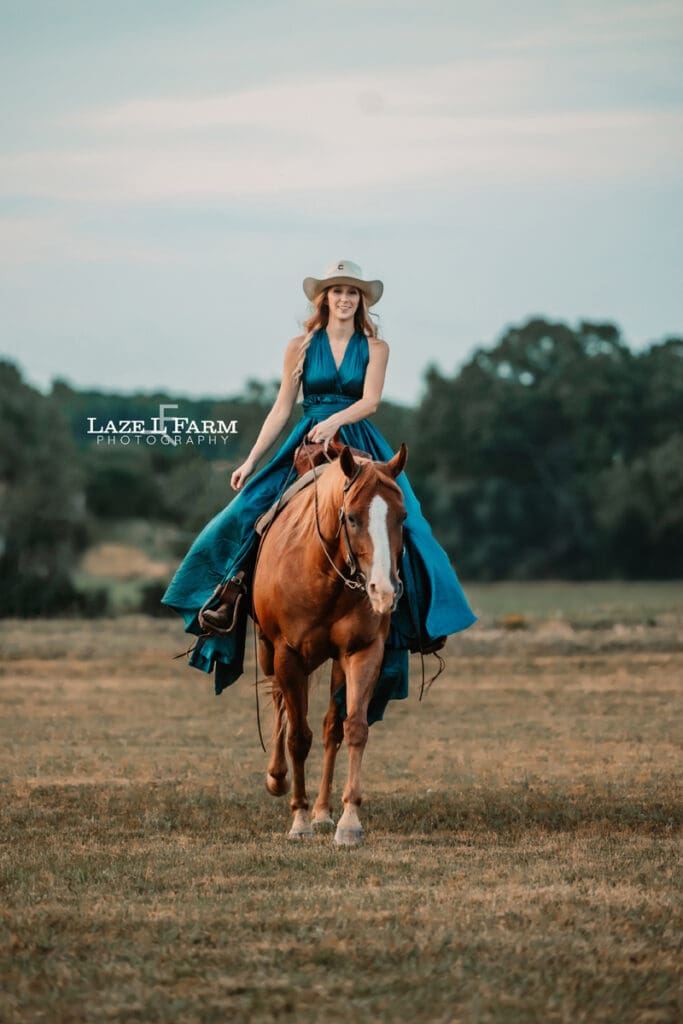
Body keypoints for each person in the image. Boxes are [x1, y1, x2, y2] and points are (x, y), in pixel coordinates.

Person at [162, 259, 476, 723]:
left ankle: (417, 621)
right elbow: (281, 408)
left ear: (361, 301)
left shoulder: (376, 346)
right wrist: (250, 460)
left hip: (357, 439)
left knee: (413, 526)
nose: (345, 299)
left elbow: (370, 401)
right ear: (323, 299)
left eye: (353, 293)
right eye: (337, 292)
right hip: (305, 441)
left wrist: (333, 422)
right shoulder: (300, 346)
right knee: (246, 512)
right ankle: (225, 596)